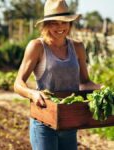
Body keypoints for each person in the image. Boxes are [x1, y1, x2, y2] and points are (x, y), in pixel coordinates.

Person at [14, 0, 101, 149]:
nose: (60, 27)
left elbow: (85, 82)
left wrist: (103, 88)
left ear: (70, 24)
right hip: (44, 121)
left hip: (69, 120)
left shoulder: (78, 47)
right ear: (46, 24)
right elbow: (18, 83)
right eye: (54, 23)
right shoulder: (37, 47)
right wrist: (33, 94)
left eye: (64, 22)